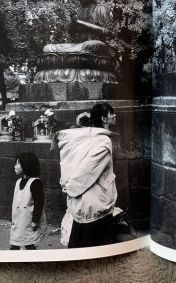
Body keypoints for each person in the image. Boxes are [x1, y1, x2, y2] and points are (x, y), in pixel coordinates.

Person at [55, 103, 118, 248]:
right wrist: (71, 188)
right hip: (94, 202)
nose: (114, 115)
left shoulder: (86, 137)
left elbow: (69, 160)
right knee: (94, 246)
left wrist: (67, 184)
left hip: (82, 201)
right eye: (111, 113)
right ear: (103, 118)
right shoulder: (104, 140)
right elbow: (87, 170)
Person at [10, 152, 47, 250]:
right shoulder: (18, 182)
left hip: (28, 220)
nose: (15, 166)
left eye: (17, 164)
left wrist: (35, 220)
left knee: (28, 243)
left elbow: (39, 203)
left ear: (26, 166)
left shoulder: (35, 182)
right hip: (18, 219)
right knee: (16, 242)